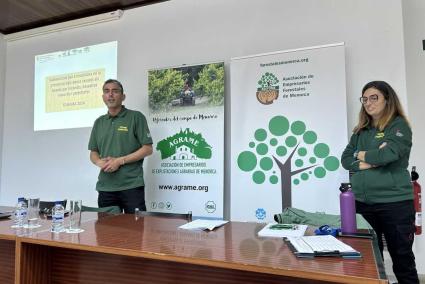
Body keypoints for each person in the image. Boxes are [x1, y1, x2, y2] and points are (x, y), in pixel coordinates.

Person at [341, 81, 419, 284]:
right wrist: (367, 160)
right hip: (363, 204)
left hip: (394, 204)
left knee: (402, 260)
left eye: (374, 97)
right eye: (364, 99)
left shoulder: (399, 125)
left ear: (387, 99)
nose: (368, 102)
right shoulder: (360, 131)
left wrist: (363, 155)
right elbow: (346, 159)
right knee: (366, 262)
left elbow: (388, 154)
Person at [88, 79, 153, 213]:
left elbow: (147, 149)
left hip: (131, 186)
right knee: (107, 233)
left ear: (123, 96)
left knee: (135, 231)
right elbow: (93, 152)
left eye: (115, 91)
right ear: (103, 97)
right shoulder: (99, 122)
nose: (110, 95)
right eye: (107, 91)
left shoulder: (136, 117)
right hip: (106, 187)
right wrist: (100, 162)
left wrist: (119, 161)